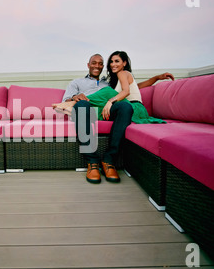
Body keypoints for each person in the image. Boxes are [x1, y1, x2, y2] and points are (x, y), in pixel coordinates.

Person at [58, 52, 174, 184]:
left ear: (103, 67)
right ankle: (92, 162)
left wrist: (157, 77)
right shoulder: (77, 82)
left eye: (100, 63)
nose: (97, 66)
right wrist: (74, 97)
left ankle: (109, 160)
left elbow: (133, 87)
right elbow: (66, 100)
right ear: (88, 65)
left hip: (106, 110)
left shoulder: (109, 83)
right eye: (94, 63)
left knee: (125, 106)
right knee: (82, 104)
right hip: (88, 108)